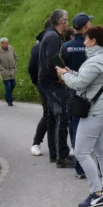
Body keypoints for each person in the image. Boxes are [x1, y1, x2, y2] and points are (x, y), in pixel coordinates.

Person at [57, 26, 103, 207]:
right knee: (101, 151)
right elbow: (89, 82)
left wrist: (64, 74)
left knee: (81, 152)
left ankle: (96, 193)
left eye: (86, 39)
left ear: (94, 41)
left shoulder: (95, 61)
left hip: (93, 110)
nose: (83, 42)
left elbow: (79, 84)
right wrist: (71, 73)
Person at [38, 9, 76, 169]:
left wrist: (62, 68)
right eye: (67, 20)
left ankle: (56, 154)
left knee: (55, 117)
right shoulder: (53, 36)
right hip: (52, 81)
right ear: (62, 21)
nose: (68, 23)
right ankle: (62, 156)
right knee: (63, 115)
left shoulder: (49, 35)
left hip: (47, 81)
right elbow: (51, 59)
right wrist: (63, 73)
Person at [62, 12, 92, 179]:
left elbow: (61, 69)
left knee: (77, 131)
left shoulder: (66, 46)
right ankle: (101, 167)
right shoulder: (94, 45)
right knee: (99, 131)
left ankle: (80, 169)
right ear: (86, 26)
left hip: (74, 93)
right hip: (94, 94)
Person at [29, 19, 53, 156]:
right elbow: (32, 67)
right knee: (48, 113)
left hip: (53, 84)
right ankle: (36, 143)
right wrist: (38, 83)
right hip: (45, 84)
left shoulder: (56, 42)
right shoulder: (38, 47)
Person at [0, 37, 18, 106]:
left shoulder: (11, 48)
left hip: (12, 70)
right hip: (4, 72)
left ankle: (6, 94)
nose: (7, 44)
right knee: (8, 86)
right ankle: (9, 101)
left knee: (13, 84)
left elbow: (15, 56)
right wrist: (1, 69)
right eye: (5, 43)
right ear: (1, 44)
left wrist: (15, 64)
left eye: (7, 43)